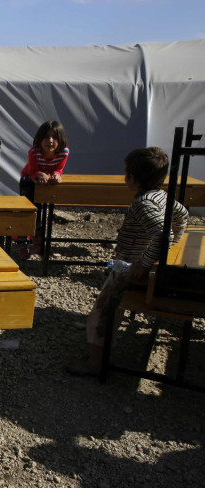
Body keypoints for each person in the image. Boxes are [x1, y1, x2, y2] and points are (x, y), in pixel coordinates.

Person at [66, 147, 189, 377]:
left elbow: (163, 234)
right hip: (134, 264)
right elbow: (182, 215)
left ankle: (95, 363)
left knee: (103, 313)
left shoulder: (143, 203)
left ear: (132, 178)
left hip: (131, 269)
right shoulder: (163, 196)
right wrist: (174, 244)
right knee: (107, 292)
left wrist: (144, 263)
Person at [17, 120, 69, 260]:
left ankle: (37, 237)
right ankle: (22, 242)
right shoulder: (34, 152)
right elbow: (33, 171)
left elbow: (59, 168)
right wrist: (39, 174)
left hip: (44, 184)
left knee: (40, 211)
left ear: (60, 140)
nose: (50, 141)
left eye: (54, 137)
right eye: (46, 137)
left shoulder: (63, 153)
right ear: (40, 139)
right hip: (29, 181)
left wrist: (57, 175)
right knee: (27, 211)